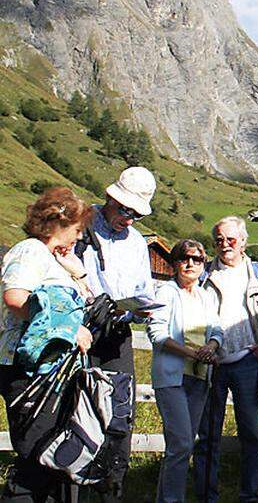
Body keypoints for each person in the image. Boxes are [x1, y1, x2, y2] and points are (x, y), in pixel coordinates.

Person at [0, 187, 95, 502]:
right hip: (27, 369)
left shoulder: (55, 259)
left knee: (54, 455)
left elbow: (91, 300)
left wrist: (75, 270)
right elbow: (15, 297)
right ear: (60, 223)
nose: (80, 238)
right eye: (78, 230)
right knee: (38, 453)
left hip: (52, 372)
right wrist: (69, 328)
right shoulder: (30, 251)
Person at [75, 166, 157, 501]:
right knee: (77, 410)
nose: (130, 219)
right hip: (79, 332)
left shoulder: (136, 242)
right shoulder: (80, 225)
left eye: (136, 214)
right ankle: (74, 483)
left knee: (120, 412)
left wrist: (139, 308)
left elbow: (143, 287)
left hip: (117, 333)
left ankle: (113, 486)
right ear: (110, 198)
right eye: (125, 210)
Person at [193, 217, 258, 503]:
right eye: (219, 239)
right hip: (213, 365)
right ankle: (207, 496)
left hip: (248, 362)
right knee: (208, 436)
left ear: (243, 241)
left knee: (251, 435)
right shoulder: (204, 275)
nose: (224, 245)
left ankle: (249, 495)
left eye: (231, 239)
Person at [148, 239, 222, 503]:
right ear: (174, 263)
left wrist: (212, 347)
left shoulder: (206, 296)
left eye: (197, 259)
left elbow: (217, 330)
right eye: (184, 258)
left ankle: (167, 498)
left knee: (184, 445)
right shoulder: (165, 292)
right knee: (180, 444)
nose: (190, 264)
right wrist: (192, 353)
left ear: (204, 264)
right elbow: (157, 334)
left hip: (200, 378)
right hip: (172, 378)